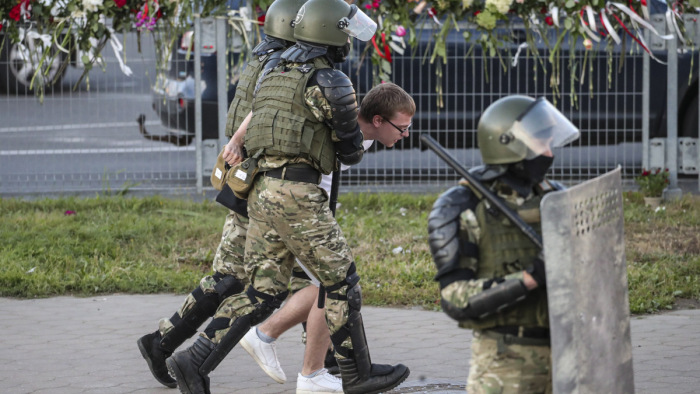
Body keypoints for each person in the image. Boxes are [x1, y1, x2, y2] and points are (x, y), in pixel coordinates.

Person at [165, 0, 415, 391]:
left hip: (262, 190)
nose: (349, 40)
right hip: (297, 194)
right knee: (341, 282)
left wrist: (234, 142)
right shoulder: (329, 82)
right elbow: (348, 151)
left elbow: (255, 120)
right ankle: (355, 374)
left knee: (263, 290)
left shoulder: (277, 72)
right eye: (346, 32)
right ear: (332, 34)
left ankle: (192, 360)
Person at [136, 0, 343, 391]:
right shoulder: (284, 68)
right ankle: (175, 349)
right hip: (264, 187)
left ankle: (166, 343)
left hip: (252, 185)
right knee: (275, 279)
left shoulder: (264, 59)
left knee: (278, 278)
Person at [427, 95, 580, 393]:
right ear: (509, 143)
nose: (549, 153)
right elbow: (455, 298)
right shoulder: (464, 206)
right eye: (541, 144)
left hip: (568, 357)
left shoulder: (556, 198)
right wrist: (529, 279)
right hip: (504, 364)